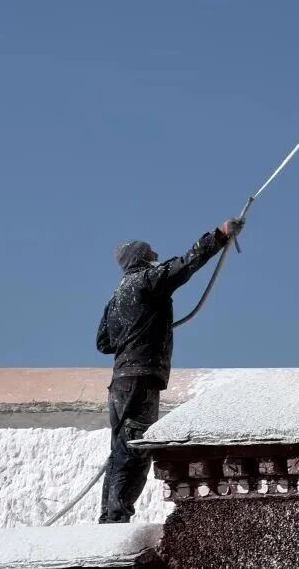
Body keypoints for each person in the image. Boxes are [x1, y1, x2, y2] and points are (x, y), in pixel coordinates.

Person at [95, 218, 244, 523]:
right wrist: (220, 235)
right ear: (142, 259)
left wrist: (140, 329)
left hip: (121, 381)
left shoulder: (117, 296)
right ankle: (116, 518)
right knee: (135, 448)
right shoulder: (148, 281)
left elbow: (103, 342)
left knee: (121, 448)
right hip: (140, 379)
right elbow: (186, 263)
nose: (156, 255)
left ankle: (109, 516)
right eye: (152, 253)